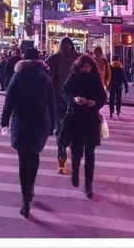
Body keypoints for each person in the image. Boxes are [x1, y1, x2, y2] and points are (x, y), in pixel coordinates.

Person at [0, 48, 55, 218]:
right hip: (40, 120)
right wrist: (52, 124)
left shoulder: (19, 75)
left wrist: (4, 121)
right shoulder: (44, 77)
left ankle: (25, 199)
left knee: (24, 158)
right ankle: (31, 187)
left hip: (22, 120)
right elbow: (51, 102)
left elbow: (9, 100)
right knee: (34, 154)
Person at [62, 54, 108, 198]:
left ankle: (88, 185)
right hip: (76, 118)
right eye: (83, 67)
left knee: (90, 153)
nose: (85, 69)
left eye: (88, 67)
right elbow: (65, 92)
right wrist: (74, 100)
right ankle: (75, 173)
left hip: (91, 119)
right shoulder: (73, 76)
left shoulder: (95, 78)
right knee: (76, 151)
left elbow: (103, 97)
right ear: (79, 66)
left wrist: (94, 103)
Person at [46, 36, 79, 175]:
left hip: (74, 101)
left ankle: (71, 146)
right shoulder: (54, 59)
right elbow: (44, 70)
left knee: (73, 130)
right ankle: (61, 157)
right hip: (58, 99)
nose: (67, 47)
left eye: (69, 45)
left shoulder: (78, 59)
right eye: (64, 45)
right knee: (60, 130)